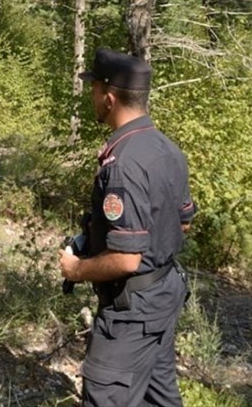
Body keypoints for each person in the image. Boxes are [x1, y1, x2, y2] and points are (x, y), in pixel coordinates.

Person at [58, 48, 197, 406]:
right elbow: (181, 225)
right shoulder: (168, 150)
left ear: (108, 97)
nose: (91, 97)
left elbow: (126, 259)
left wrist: (76, 270)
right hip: (162, 297)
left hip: (132, 311)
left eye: (93, 89)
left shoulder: (124, 164)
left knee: (105, 396)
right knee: (157, 395)